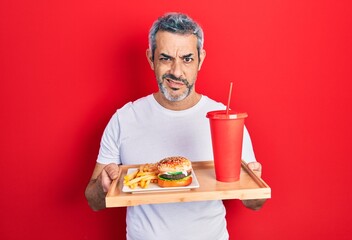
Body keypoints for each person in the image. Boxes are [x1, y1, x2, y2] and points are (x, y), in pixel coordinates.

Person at [85, 12, 266, 240]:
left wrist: (254, 182)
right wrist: (104, 187)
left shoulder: (226, 119)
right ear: (151, 58)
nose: (176, 72)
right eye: (165, 58)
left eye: (187, 59)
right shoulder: (124, 119)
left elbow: (255, 203)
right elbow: (93, 201)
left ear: (201, 59)